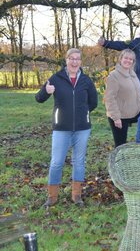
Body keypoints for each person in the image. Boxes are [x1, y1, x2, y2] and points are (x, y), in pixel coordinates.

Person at [35, 48, 98, 208]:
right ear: (66, 60)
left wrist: (82, 113)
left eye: (78, 59)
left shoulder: (86, 80)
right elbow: (39, 98)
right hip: (61, 128)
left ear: (81, 62)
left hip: (82, 129)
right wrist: (46, 91)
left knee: (79, 161)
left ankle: (76, 196)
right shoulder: (56, 78)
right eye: (72, 58)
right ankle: (52, 197)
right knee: (56, 162)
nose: (75, 62)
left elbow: (93, 102)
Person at [104, 49, 140, 147]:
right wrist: (116, 117)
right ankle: (118, 161)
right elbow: (109, 98)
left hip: (134, 113)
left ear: (133, 61)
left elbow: (139, 96)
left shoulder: (133, 75)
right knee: (120, 145)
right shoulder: (113, 76)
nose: (128, 61)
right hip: (120, 116)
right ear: (120, 59)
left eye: (131, 59)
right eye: (126, 58)